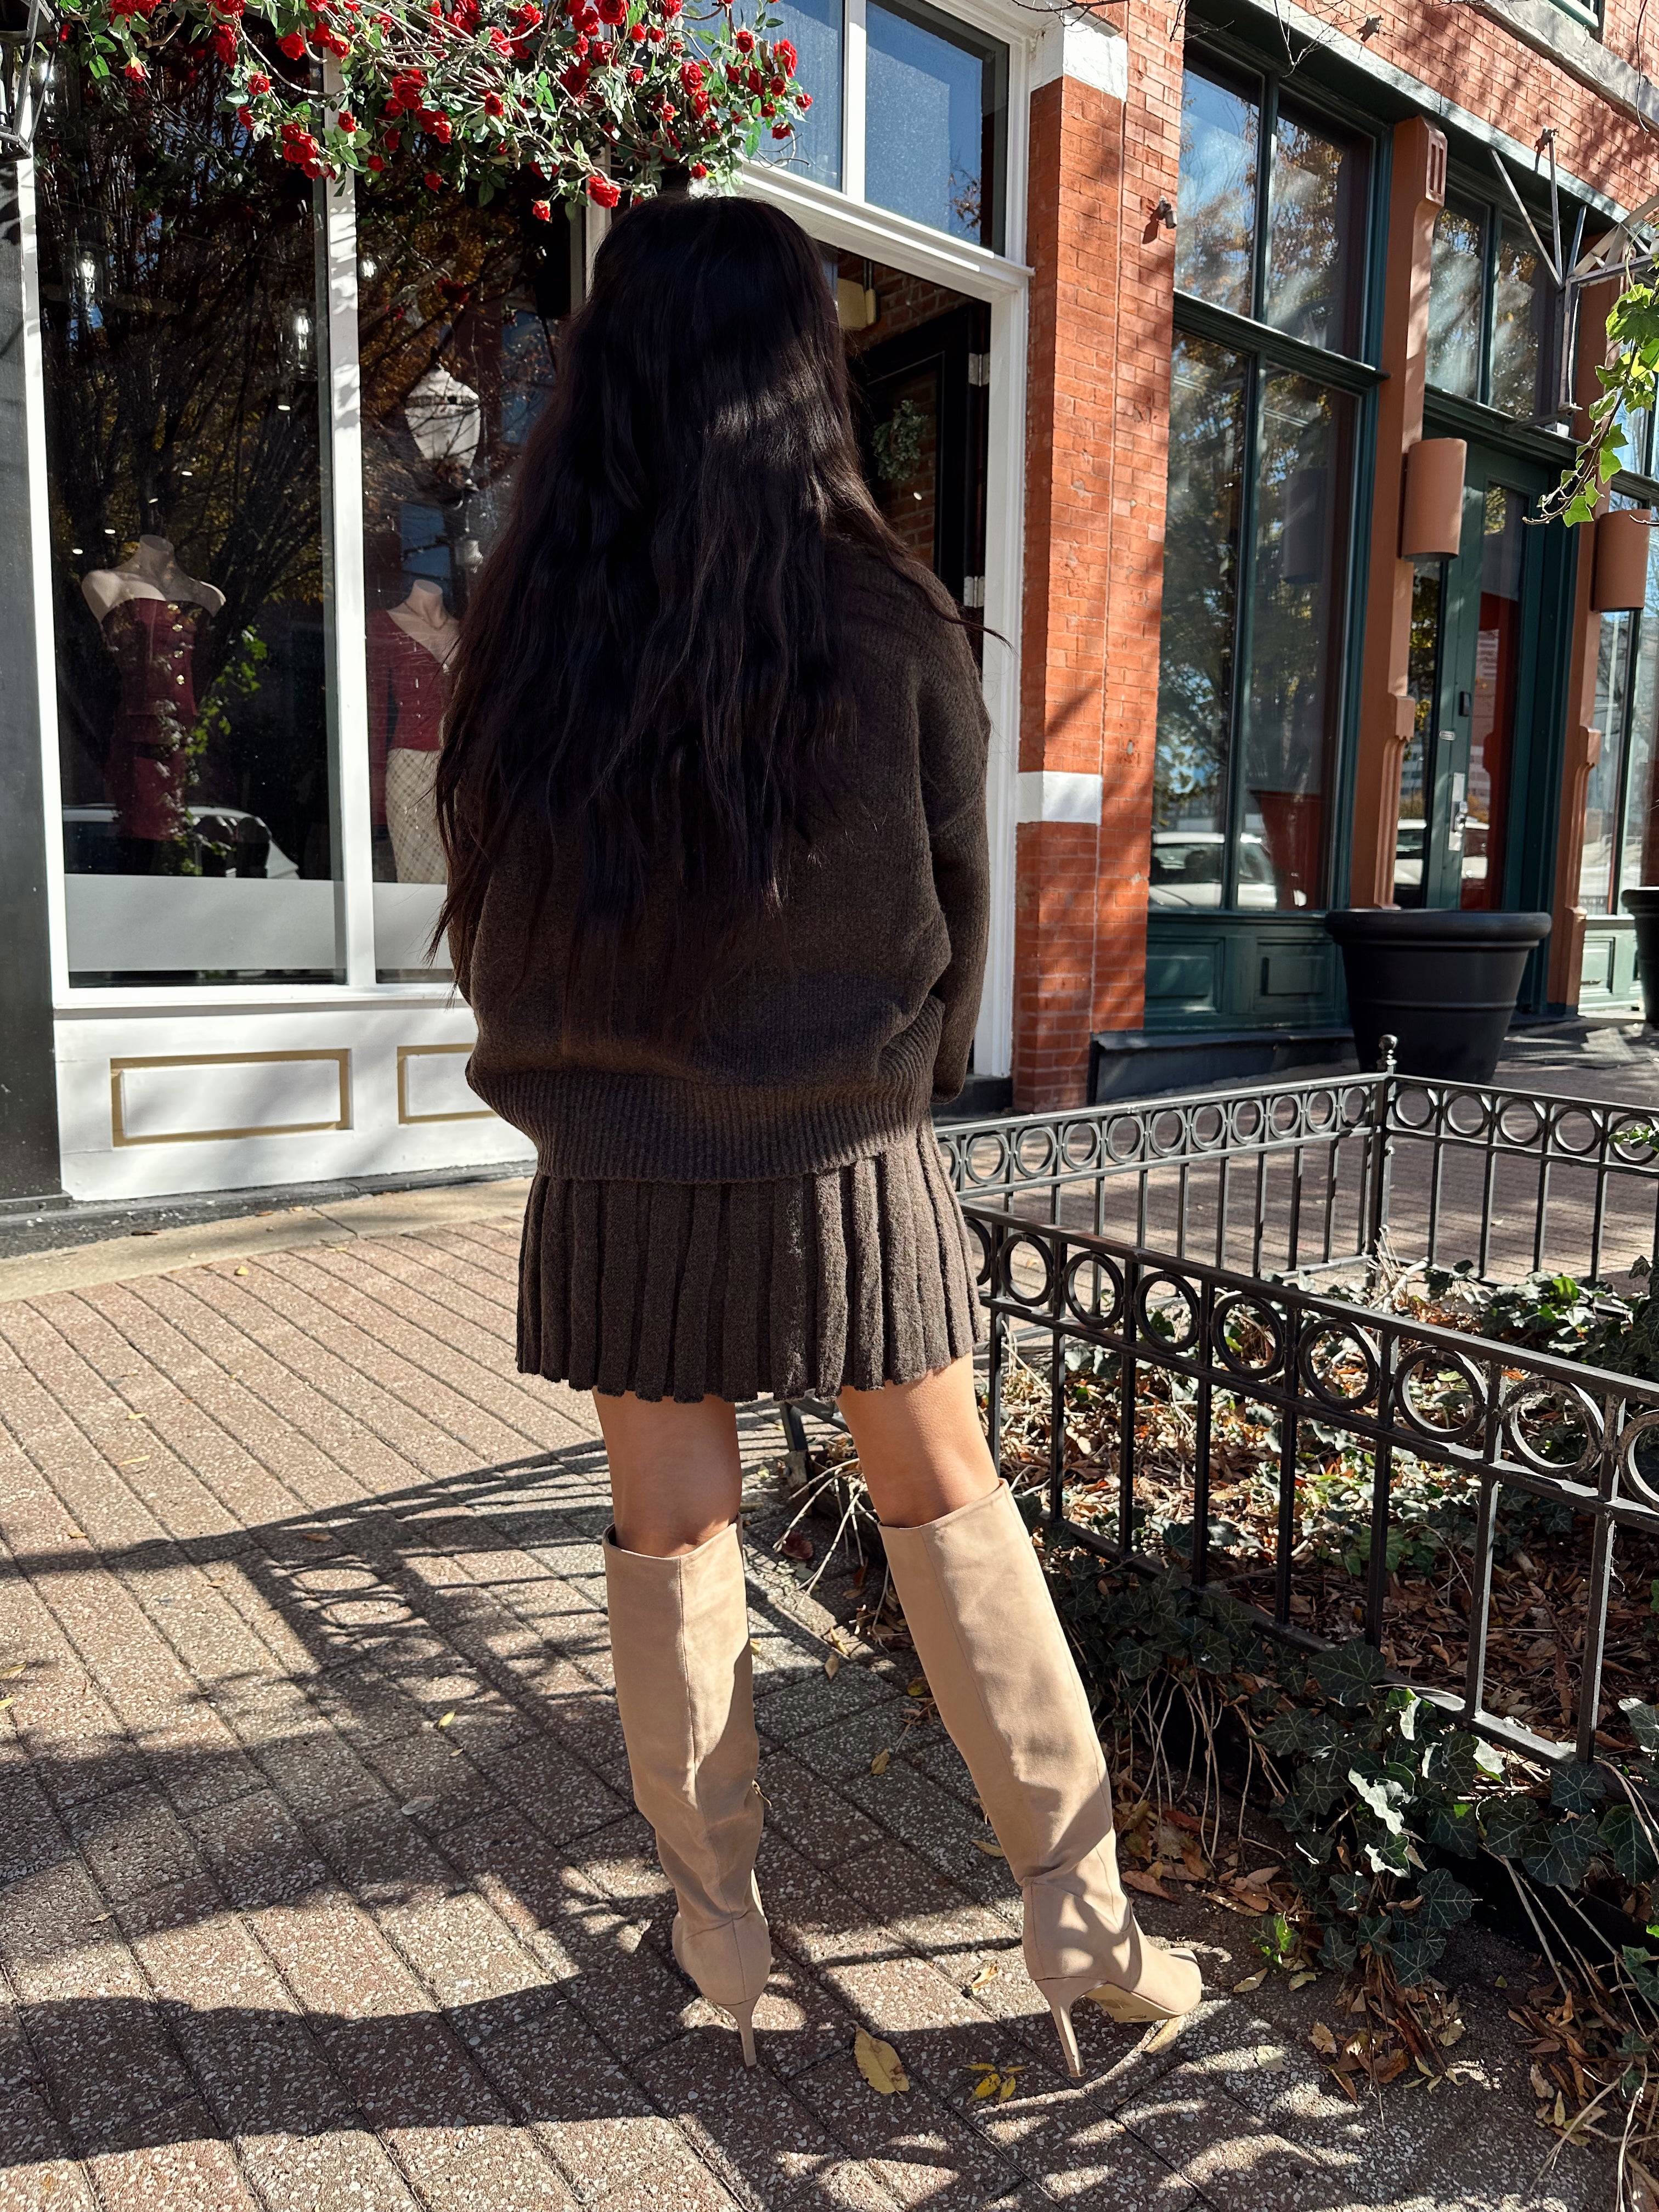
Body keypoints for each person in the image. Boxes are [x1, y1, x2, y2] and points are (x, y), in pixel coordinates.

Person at [435, 191, 1200, 2078]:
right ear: (803, 375)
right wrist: (887, 1092)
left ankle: (715, 1924)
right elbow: (957, 912)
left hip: (616, 1170)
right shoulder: (889, 614)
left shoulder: (531, 630)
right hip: (851, 1155)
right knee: (949, 1503)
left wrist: (588, 1088)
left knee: (669, 1536)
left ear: (608, 374)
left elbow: (486, 908)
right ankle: (1083, 1921)